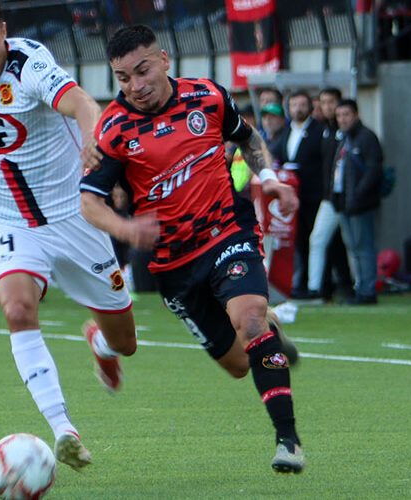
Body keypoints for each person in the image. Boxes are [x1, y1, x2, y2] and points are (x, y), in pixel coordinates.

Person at [0, 0, 138, 472]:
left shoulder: (29, 64)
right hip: (7, 221)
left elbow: (82, 102)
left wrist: (92, 145)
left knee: (126, 341)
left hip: (74, 218)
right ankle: (64, 429)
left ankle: (100, 344)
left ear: (4, 30)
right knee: (17, 309)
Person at [81, 24, 306, 474]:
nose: (135, 86)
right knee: (240, 364)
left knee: (249, 320)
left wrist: (268, 178)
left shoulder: (207, 96)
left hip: (227, 233)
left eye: (142, 71)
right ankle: (266, 330)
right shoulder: (113, 129)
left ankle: (289, 442)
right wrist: (127, 230)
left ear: (164, 60)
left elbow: (247, 138)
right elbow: (89, 202)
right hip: (173, 265)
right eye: (123, 78)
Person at [299, 87, 353, 301]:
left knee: (351, 244)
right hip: (329, 198)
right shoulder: (325, 130)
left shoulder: (349, 134)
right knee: (319, 239)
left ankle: (357, 285)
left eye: (331, 102)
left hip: (348, 198)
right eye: (323, 102)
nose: (327, 107)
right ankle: (316, 288)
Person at [269, 92, 325, 296]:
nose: (298, 109)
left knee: (315, 239)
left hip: (312, 194)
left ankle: (321, 285)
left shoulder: (320, 131)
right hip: (291, 196)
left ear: (310, 108)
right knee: (298, 241)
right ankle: (299, 284)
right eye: (294, 105)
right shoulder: (285, 132)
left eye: (302, 105)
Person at [332, 99, 384, 305]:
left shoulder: (366, 138)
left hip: (361, 204)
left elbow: (373, 171)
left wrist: (360, 195)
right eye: (339, 115)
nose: (342, 119)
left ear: (356, 114)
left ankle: (368, 291)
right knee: (353, 248)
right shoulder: (343, 139)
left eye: (346, 114)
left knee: (364, 247)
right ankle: (360, 287)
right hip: (345, 202)